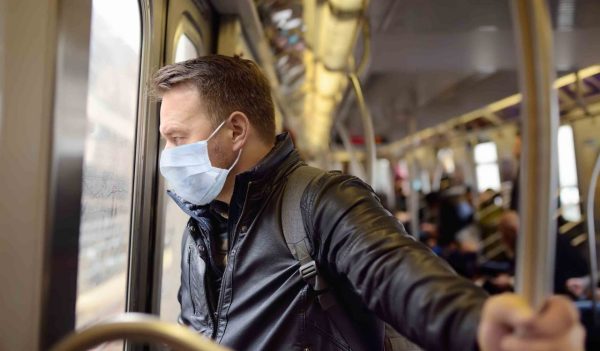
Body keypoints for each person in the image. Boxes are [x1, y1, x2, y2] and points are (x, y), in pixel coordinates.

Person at [152, 55, 584, 351]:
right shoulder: (201, 227)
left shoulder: (321, 201)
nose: (168, 157)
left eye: (177, 139)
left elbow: (395, 272)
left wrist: (477, 323)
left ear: (236, 131)